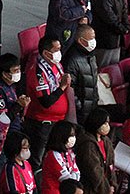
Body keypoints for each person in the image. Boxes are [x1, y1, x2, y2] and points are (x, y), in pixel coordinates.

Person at [24, 36, 71, 167]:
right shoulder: (37, 71)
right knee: (37, 160)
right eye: (56, 50)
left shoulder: (57, 65)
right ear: (46, 53)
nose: (59, 52)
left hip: (58, 121)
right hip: (42, 124)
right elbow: (46, 101)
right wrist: (62, 87)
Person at [63, 24, 99, 125]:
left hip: (92, 105)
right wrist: (79, 106)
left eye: (94, 38)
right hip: (80, 111)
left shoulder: (91, 54)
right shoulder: (72, 59)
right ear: (80, 40)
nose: (93, 41)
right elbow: (70, 88)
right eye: (91, 39)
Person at [76, 109, 116, 194]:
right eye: (105, 123)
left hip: (107, 186)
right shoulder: (87, 144)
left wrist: (112, 184)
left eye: (108, 123)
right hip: (92, 188)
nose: (107, 126)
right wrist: (106, 189)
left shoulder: (106, 141)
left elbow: (111, 164)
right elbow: (94, 170)